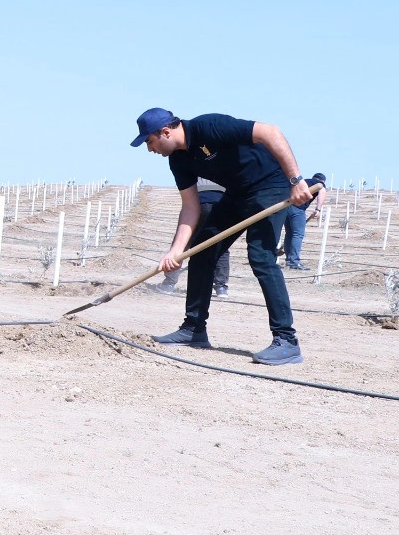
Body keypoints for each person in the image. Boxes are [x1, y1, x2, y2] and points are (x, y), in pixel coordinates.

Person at [132, 108, 313, 365]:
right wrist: (176, 251)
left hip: (270, 185)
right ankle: (194, 329)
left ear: (165, 132)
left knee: (261, 256)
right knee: (201, 251)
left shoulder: (209, 126)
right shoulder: (178, 160)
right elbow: (190, 207)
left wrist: (296, 180)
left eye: (149, 141)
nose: (150, 149)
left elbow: (271, 132)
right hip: (238, 193)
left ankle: (287, 340)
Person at [155, 177, 231, 296]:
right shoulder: (226, 169)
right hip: (222, 205)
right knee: (221, 246)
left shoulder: (193, 167)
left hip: (199, 203)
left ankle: (168, 284)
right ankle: (221, 288)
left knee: (181, 243)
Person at [279, 172, 328, 269]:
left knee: (290, 233)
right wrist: (318, 209)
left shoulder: (304, 181)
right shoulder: (319, 183)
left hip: (286, 207)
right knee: (298, 234)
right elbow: (322, 191)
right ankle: (294, 261)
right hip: (298, 209)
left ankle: (289, 260)